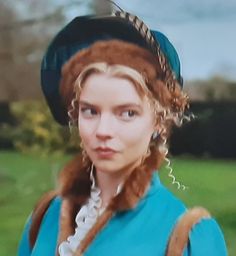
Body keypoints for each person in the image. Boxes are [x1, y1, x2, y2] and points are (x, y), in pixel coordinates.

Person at [18, 9, 227, 256]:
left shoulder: (188, 236)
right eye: (90, 111)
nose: (103, 131)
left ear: (159, 121)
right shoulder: (44, 216)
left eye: (127, 113)